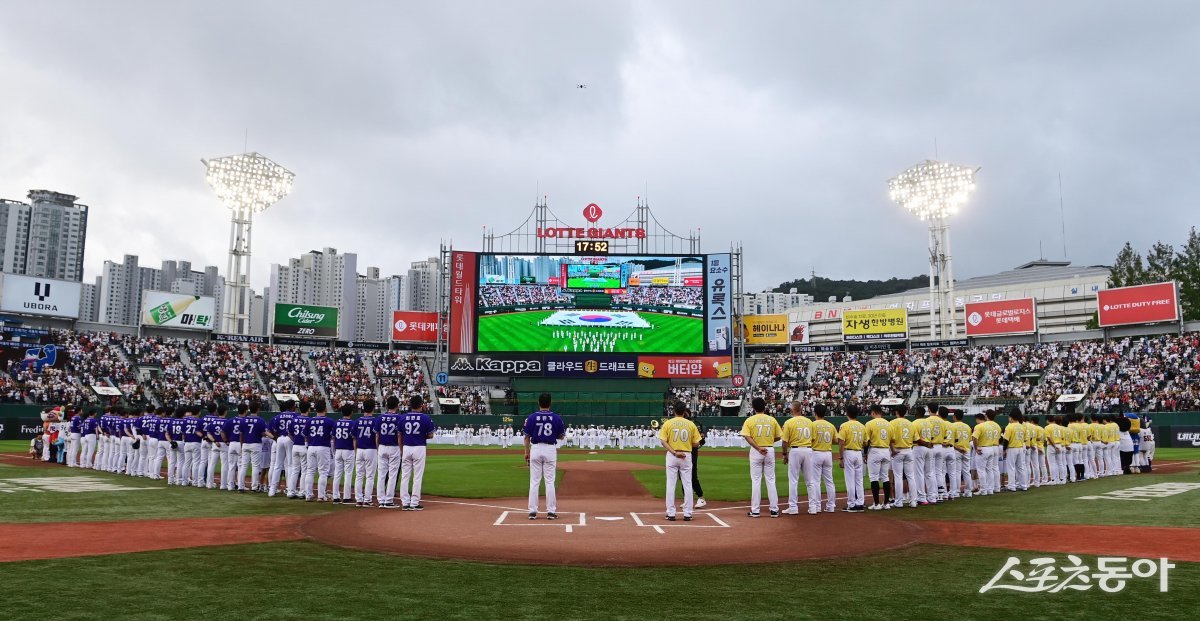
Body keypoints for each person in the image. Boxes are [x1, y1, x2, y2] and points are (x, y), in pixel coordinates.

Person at [524, 392, 565, 520]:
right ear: (550, 403)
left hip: (535, 448)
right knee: (549, 481)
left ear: (538, 403)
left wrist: (527, 452)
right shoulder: (557, 417)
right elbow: (562, 436)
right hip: (550, 448)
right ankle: (551, 511)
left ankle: (532, 511)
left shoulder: (531, 417)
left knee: (534, 481)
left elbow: (526, 436)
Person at [658, 400, 701, 521]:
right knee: (687, 484)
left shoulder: (668, 423)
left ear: (673, 411)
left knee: (671, 485)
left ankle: (671, 513)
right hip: (686, 455)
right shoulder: (691, 424)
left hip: (672, 455)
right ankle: (688, 513)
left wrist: (674, 452)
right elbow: (696, 443)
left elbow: (663, 441)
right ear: (684, 411)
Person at [741, 396, 782, 518]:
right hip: (769, 449)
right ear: (765, 407)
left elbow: (747, 436)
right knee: (770, 480)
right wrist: (768, 442)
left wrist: (758, 448)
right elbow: (779, 436)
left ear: (753, 407)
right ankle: (774, 510)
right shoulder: (772, 420)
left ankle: (755, 510)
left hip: (756, 450)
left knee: (756, 480)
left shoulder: (750, 420)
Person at [399, 395, 436, 511]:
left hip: (406, 447)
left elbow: (399, 435)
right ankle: (414, 502)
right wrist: (421, 436)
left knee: (405, 475)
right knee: (417, 476)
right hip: (419, 447)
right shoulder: (425, 418)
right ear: (421, 405)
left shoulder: (403, 418)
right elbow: (431, 435)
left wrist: (401, 449)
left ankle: (405, 502)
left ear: (410, 405)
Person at [780, 401, 814, 515]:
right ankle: (813, 507)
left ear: (792, 410)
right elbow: (813, 439)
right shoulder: (809, 421)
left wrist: (784, 454)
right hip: (808, 449)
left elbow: (784, 442)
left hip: (795, 450)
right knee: (810, 481)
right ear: (801, 409)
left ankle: (793, 507)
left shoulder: (789, 422)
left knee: (794, 480)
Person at [303, 401, 334, 502]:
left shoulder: (309, 421)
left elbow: (305, 436)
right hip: (323, 447)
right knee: (323, 472)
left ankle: (308, 495)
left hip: (311, 447)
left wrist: (307, 446)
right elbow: (333, 436)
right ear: (325, 409)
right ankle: (321, 496)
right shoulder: (329, 421)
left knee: (310, 471)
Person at [863, 404, 892, 510]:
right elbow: (891, 440)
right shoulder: (888, 424)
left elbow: (866, 441)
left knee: (874, 477)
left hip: (875, 450)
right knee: (885, 477)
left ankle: (876, 504)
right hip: (886, 450)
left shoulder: (869, 423)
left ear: (873, 412)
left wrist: (865, 453)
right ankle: (886, 503)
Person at [837, 405, 866, 512]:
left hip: (849, 453)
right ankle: (860, 503)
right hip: (859, 453)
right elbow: (866, 442)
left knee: (850, 480)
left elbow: (841, 443)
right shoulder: (862, 426)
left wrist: (840, 457)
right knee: (859, 480)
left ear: (847, 413)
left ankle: (851, 504)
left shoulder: (844, 425)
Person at [810, 404, 838, 514]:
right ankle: (831, 506)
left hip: (816, 453)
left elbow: (810, 439)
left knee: (816, 481)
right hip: (828, 453)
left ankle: (817, 506)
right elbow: (836, 440)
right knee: (829, 481)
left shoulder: (812, 425)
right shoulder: (830, 425)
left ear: (815, 413)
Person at [376, 396, 403, 509]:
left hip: (382, 446)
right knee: (392, 474)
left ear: (387, 405)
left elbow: (377, 435)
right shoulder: (400, 418)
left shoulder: (380, 417)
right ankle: (388, 500)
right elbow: (399, 435)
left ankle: (381, 499)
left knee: (381, 474)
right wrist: (401, 449)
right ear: (397, 405)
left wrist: (378, 448)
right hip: (394, 447)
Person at [266, 400, 296, 497]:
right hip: (289, 439)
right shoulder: (295, 416)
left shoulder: (277, 417)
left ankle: (272, 490)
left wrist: (276, 437)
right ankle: (290, 490)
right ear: (293, 406)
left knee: (277, 465)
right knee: (290, 465)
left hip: (279, 439)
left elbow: (272, 431)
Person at [353, 399, 380, 507]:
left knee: (359, 475)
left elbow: (354, 438)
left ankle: (358, 499)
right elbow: (377, 436)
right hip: (371, 449)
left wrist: (355, 451)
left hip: (359, 449)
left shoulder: (357, 421)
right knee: (370, 476)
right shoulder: (375, 421)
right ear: (373, 408)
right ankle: (367, 499)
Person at [888, 406, 915, 508]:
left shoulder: (892, 423)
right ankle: (913, 501)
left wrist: (893, 450)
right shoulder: (910, 423)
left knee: (898, 477)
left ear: (896, 412)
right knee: (911, 476)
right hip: (909, 450)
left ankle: (898, 502)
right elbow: (915, 438)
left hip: (897, 451)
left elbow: (890, 439)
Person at [238, 401, 268, 492]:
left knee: (243, 466)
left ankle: (240, 487)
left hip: (245, 444)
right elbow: (263, 433)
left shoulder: (243, 420)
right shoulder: (261, 420)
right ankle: (254, 487)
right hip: (256, 444)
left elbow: (241, 434)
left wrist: (242, 445)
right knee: (255, 466)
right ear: (258, 409)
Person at [331, 403, 357, 504]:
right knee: (348, 474)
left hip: (338, 450)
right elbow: (354, 438)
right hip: (348, 450)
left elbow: (333, 438)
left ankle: (336, 497)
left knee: (337, 474)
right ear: (351, 412)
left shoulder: (336, 423)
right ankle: (346, 497)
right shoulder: (352, 423)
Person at [287, 401, 310, 498]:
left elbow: (289, 434)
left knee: (294, 469)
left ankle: (290, 492)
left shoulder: (294, 419)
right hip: (304, 447)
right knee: (304, 470)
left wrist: (295, 440)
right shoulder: (309, 420)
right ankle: (302, 492)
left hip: (295, 446)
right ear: (308, 409)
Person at [1002, 409, 1029, 492]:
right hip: (1021, 448)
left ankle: (1011, 486)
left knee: (1011, 468)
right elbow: (1025, 440)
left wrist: (1004, 450)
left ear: (1011, 418)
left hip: (1012, 448)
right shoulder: (1022, 426)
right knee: (1021, 467)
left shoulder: (1009, 426)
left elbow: (1006, 440)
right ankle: (1024, 485)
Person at [949, 411, 973, 498]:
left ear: (954, 416)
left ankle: (957, 491)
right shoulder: (967, 426)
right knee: (966, 471)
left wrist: (958, 448)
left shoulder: (952, 426)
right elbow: (970, 440)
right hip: (966, 450)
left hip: (957, 450)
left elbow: (951, 441)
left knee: (957, 472)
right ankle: (968, 492)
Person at [689, 412, 708, 509]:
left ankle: (701, 498)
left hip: (692, 452)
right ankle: (686, 499)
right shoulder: (692, 425)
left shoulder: (693, 426)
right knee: (683, 477)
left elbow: (701, 441)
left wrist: (701, 438)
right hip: (687, 452)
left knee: (692, 476)